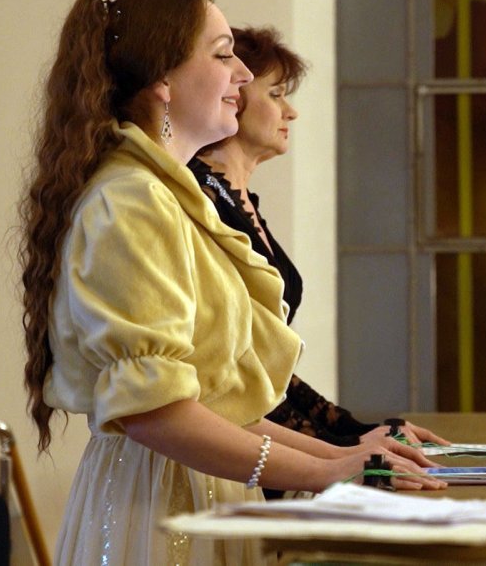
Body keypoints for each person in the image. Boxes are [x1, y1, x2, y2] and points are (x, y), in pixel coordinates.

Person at [19, 0, 445, 566]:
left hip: (197, 487)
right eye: (223, 56)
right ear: (163, 80)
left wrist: (346, 460)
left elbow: (217, 407)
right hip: (161, 503)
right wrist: (328, 472)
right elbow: (155, 415)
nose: (243, 75)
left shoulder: (165, 195)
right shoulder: (131, 200)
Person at [189, 27, 449, 454]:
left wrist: (357, 432)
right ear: (231, 94)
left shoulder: (239, 197)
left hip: (258, 438)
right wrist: (339, 450)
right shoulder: (202, 194)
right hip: (230, 445)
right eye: (276, 94)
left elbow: (266, 367)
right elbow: (226, 371)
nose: (290, 112)